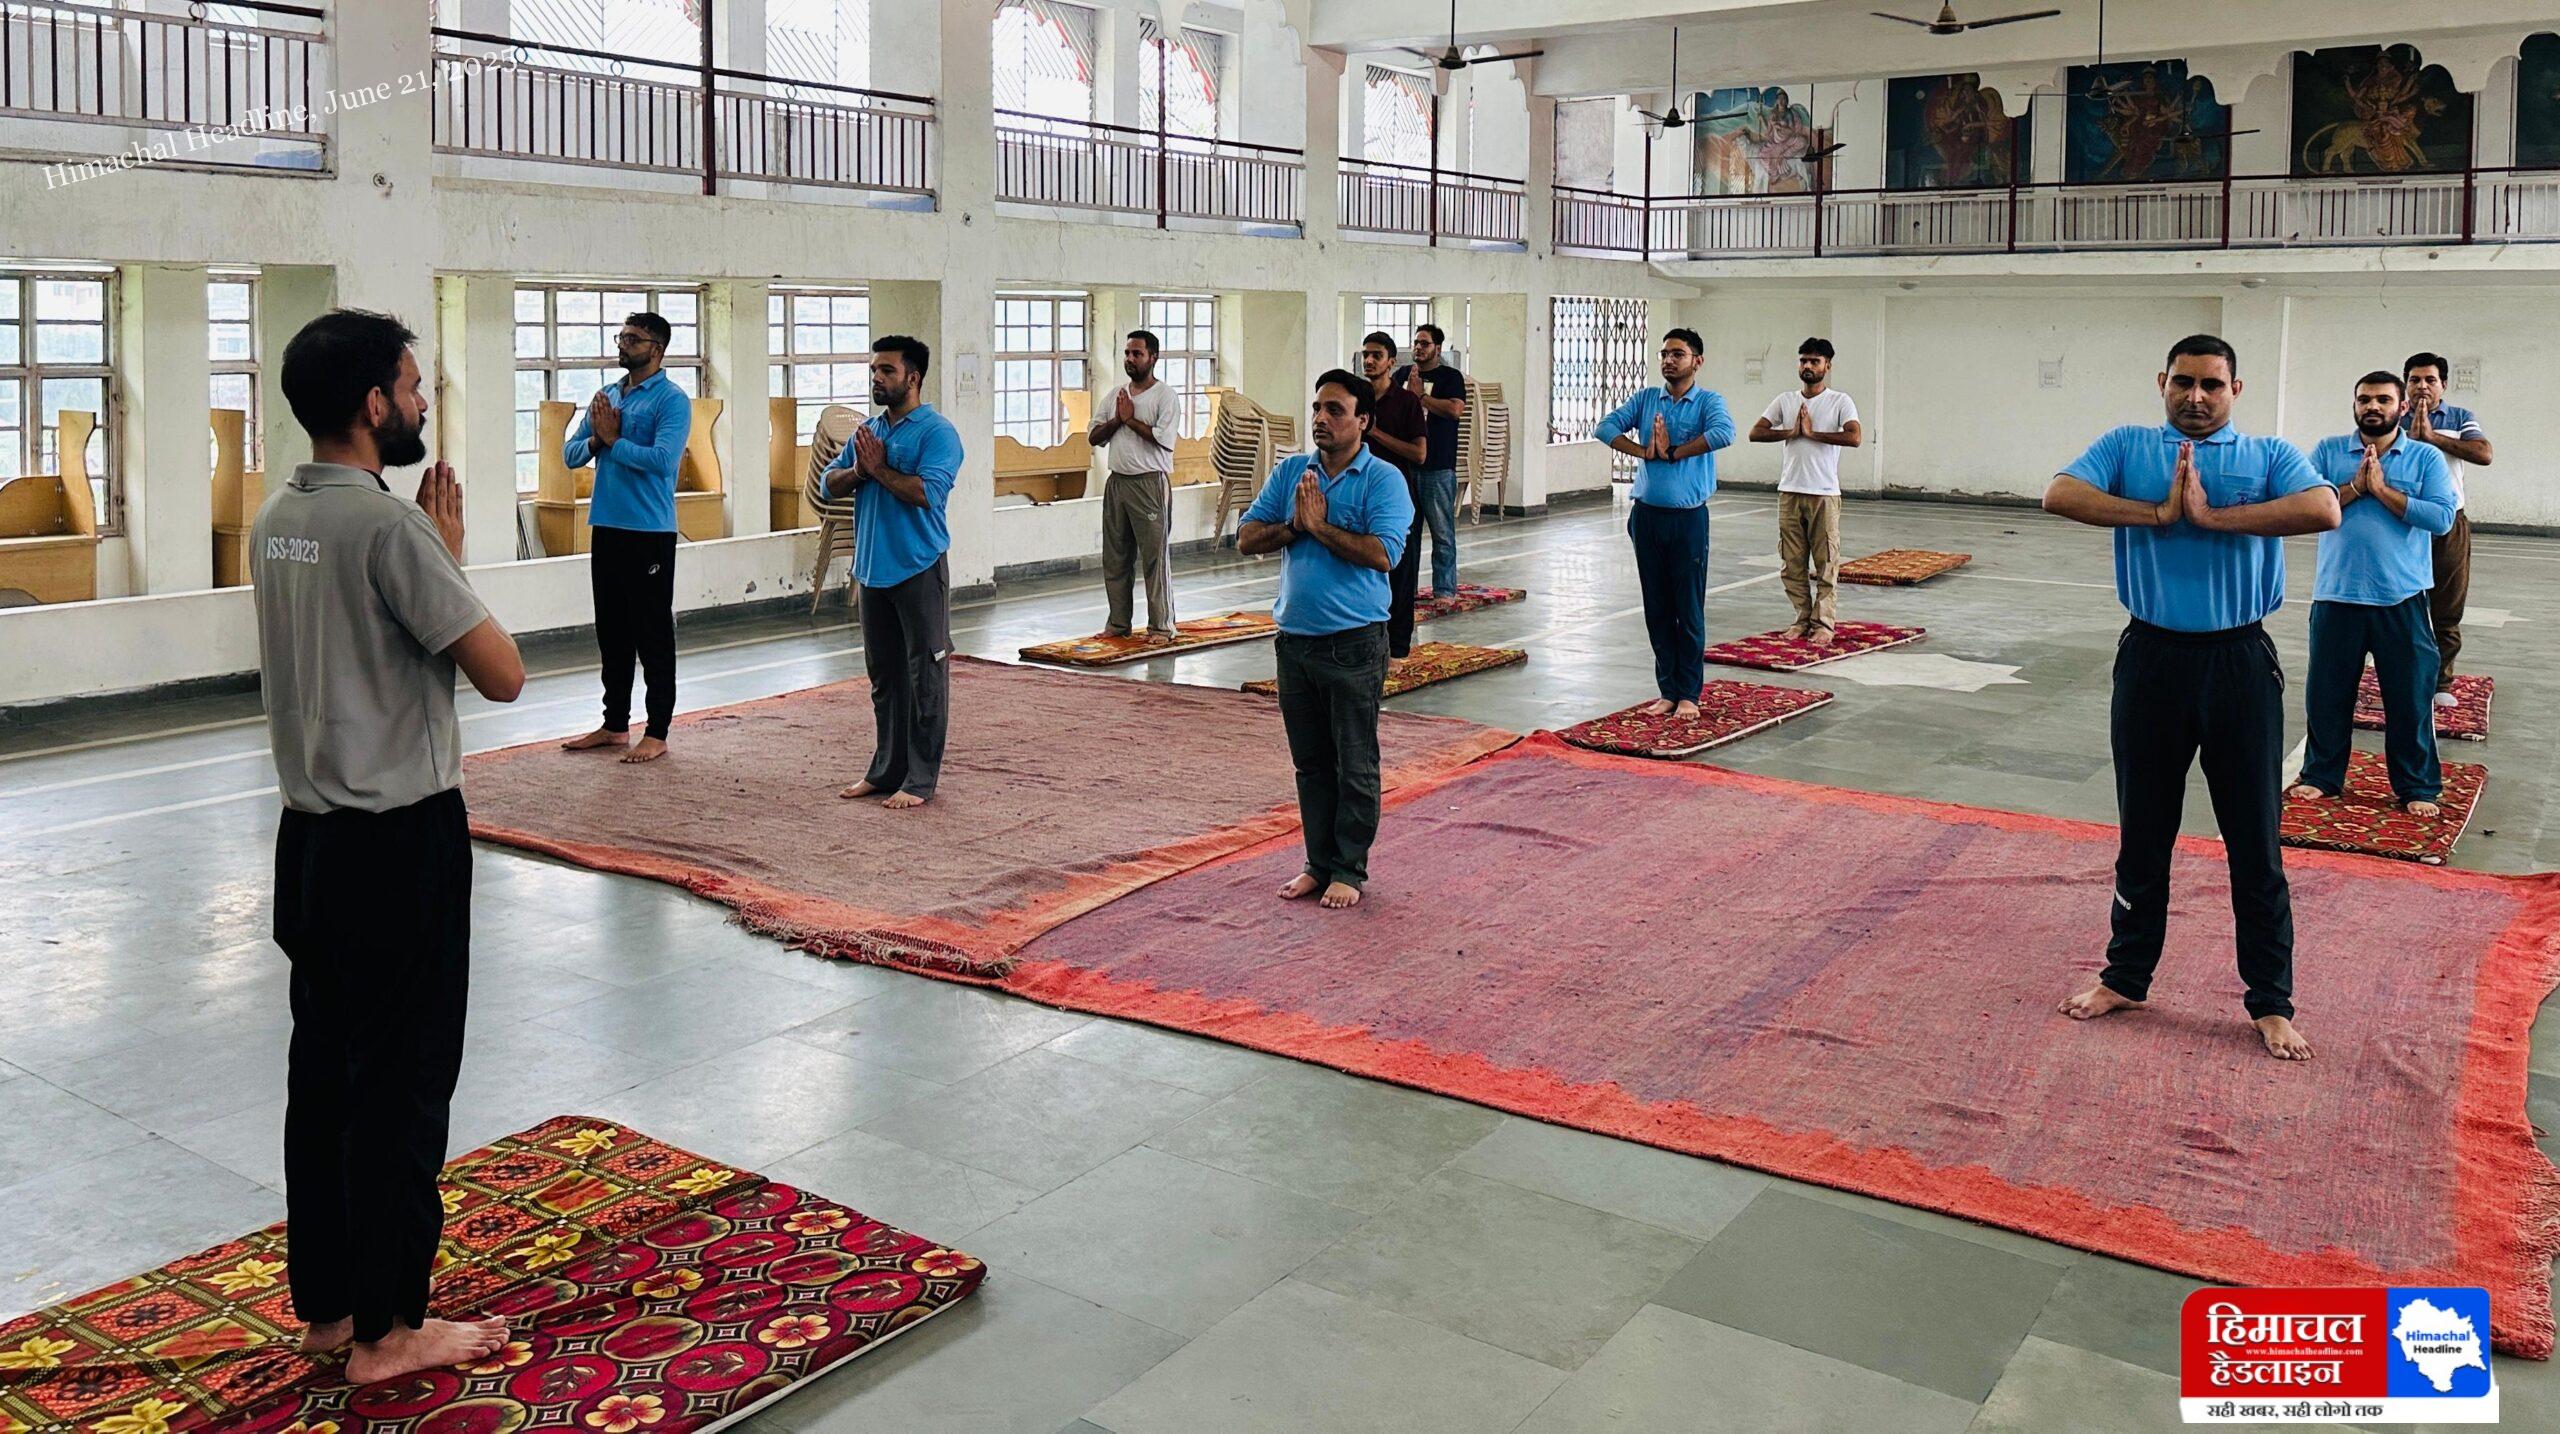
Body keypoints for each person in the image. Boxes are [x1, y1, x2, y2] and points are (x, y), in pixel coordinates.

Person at [252, 309, 525, 1382]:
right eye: (413, 389)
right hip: (397, 845)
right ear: (374, 405)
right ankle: (389, 1330)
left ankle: (328, 1308)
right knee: (401, 1088)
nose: (420, 405)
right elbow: (502, 674)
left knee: (322, 1078)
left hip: (309, 844)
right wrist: (446, 559)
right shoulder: (389, 530)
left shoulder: (280, 517)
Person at [2042, 333, 2339, 1062]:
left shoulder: (2267, 455)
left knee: (2254, 841)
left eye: (2211, 384)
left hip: (2239, 662)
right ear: (2162, 382)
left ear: (2236, 389)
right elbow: (2059, 494)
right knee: (2143, 832)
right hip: (2151, 659)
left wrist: (2212, 518)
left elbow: (2324, 508)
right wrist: (2156, 513)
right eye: (2183, 382)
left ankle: (2271, 1001)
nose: (2196, 396)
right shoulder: (2128, 445)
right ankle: (2126, 976)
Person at [1236, 370, 1415, 910]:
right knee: (1311, 765)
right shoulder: (1293, 471)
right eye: (1317, 407)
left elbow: (1384, 553)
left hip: (1353, 646)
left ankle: (1348, 868)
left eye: (1335, 410)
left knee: (1353, 763)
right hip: (1294, 644)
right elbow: (1247, 537)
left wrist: (1320, 528)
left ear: (1363, 421)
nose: (1321, 418)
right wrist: (1296, 526)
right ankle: (1317, 863)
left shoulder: (1383, 480)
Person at [2291, 373, 2456, 816]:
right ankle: (2321, 776)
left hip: (2401, 598)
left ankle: (2417, 784)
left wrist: (2382, 491)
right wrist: (2355, 488)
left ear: (2402, 406)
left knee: (2410, 698)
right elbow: (2305, 507)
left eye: (2383, 399)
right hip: (2337, 597)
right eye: (2364, 399)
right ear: (2355, 405)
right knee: (2327, 697)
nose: (2373, 407)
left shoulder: (2424, 457)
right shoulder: (2328, 451)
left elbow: (2442, 518)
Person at [823, 336, 961, 810]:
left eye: (887, 370)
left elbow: (928, 494)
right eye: (874, 371)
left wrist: (878, 469)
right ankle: (885, 771)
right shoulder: (869, 431)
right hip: (872, 572)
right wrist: (861, 471)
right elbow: (829, 483)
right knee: (885, 679)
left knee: (926, 677)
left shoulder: (937, 433)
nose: (876, 378)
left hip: (918, 567)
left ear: (913, 378)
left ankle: (919, 781)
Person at [559, 312, 690, 764]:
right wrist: (598, 441)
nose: (623, 344)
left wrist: (614, 440)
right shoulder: (608, 396)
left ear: (657, 349)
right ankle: (615, 724)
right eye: (622, 336)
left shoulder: (672, 401)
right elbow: (570, 454)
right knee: (612, 632)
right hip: (608, 527)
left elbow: (663, 460)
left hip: (649, 532)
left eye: (634, 339)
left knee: (651, 632)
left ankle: (656, 731)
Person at [1595, 328, 1736, 719]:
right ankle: (1668, 690)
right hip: (1646, 518)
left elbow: (1724, 433)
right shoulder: (1645, 399)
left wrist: (1675, 451)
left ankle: (1689, 693)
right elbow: (1604, 427)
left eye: (1678, 354)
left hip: (1687, 520)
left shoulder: (1707, 401)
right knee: (1656, 608)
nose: (1669, 360)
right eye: (1664, 354)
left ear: (1697, 361)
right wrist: (1644, 451)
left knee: (1687, 608)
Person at [1748, 337, 1863, 645]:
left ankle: (1824, 623)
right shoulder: (1786, 400)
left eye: (1814, 361)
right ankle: (1801, 618)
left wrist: (1812, 433)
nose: (1808, 366)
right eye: (1803, 360)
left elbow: (1854, 437)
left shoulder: (1840, 401)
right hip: (1790, 491)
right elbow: (1755, 432)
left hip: (1824, 493)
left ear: (1827, 366)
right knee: (1792, 562)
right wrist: (1792, 431)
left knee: (1826, 562)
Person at [2398, 353, 2493, 710]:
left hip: (2449, 523)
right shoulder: (2394, 416)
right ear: (2405, 384)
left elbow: (2483, 453)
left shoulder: (2460, 417)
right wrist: (2410, 438)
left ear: (2444, 385)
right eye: (2415, 379)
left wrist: (2432, 437)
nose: (2422, 386)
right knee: (2402, 603)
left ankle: (2441, 680)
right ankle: (2404, 674)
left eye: (2430, 380)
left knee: (2447, 604)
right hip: (2404, 522)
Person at [1087, 329, 1182, 644]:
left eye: (1137, 354)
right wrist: (1118, 419)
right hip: (1117, 484)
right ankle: (1118, 624)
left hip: (1149, 484)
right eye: (1127, 353)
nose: (1130, 359)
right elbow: (1094, 436)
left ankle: (1161, 627)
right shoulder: (1117, 396)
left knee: (1154, 559)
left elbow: (1163, 439)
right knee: (1115, 557)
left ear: (1153, 357)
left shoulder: (1164, 396)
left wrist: (1130, 421)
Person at [1360, 331, 1430, 667]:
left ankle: (1398, 647)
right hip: (1360, 496)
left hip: (1398, 498)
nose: (1369, 361)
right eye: (1365, 355)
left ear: (1391, 362)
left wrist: (1376, 433)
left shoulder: (1406, 403)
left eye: (1376, 355)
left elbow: (1419, 454)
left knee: (1400, 573)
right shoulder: (1356, 400)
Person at [1392, 323, 1466, 600]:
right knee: (1407, 533)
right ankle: (1405, 590)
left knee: (1442, 532)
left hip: (1438, 466)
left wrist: (1421, 397)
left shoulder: (1450, 377)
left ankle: (1444, 590)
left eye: (1424, 343)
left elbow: (1455, 410)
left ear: (1437, 347)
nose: (1418, 348)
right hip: (1406, 466)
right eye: (1416, 343)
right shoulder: (1402, 374)